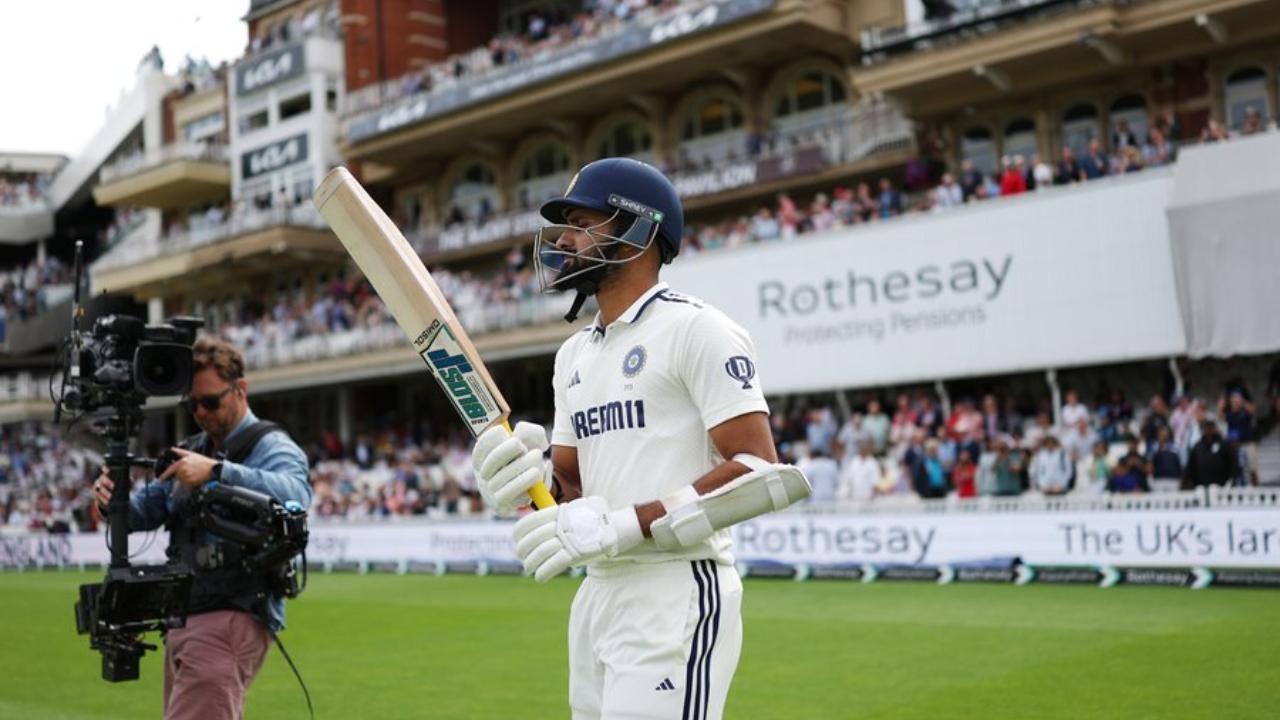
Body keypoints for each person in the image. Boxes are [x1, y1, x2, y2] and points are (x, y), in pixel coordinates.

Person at [469, 158, 809, 720]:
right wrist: (525, 480)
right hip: (598, 592)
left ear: (639, 229)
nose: (565, 240)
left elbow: (758, 469)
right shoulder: (573, 355)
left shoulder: (697, 328)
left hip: (676, 587)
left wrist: (624, 524)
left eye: (584, 223)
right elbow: (571, 487)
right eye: (566, 226)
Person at [92, 337, 311, 720]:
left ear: (240, 389)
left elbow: (296, 496)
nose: (201, 413)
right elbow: (143, 513)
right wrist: (110, 500)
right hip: (185, 613)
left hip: (232, 612)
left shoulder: (271, 445)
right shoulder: (192, 448)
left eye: (210, 402)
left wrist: (217, 472)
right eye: (192, 405)